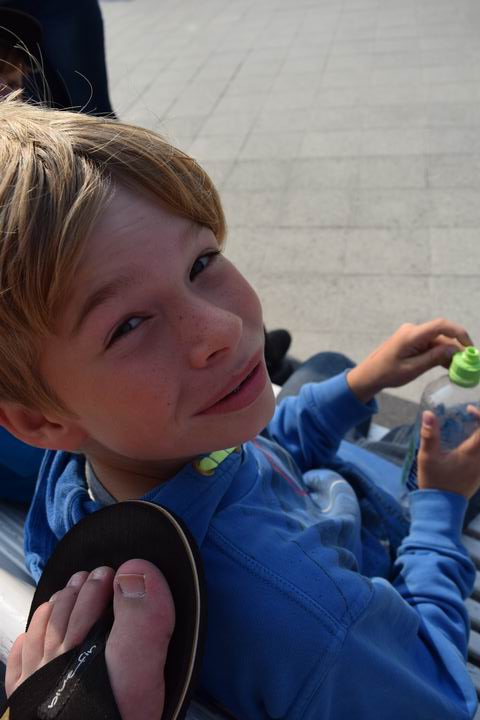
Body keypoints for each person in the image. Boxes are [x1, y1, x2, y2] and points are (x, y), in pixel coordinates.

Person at [0, 96, 479, 720]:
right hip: (389, 554)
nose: (222, 328)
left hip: (317, 500)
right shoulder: (316, 621)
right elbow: (441, 699)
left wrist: (362, 383)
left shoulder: (89, 469)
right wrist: (442, 506)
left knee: (332, 367)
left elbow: (250, 451)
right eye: (129, 325)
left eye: (201, 263)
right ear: (41, 422)